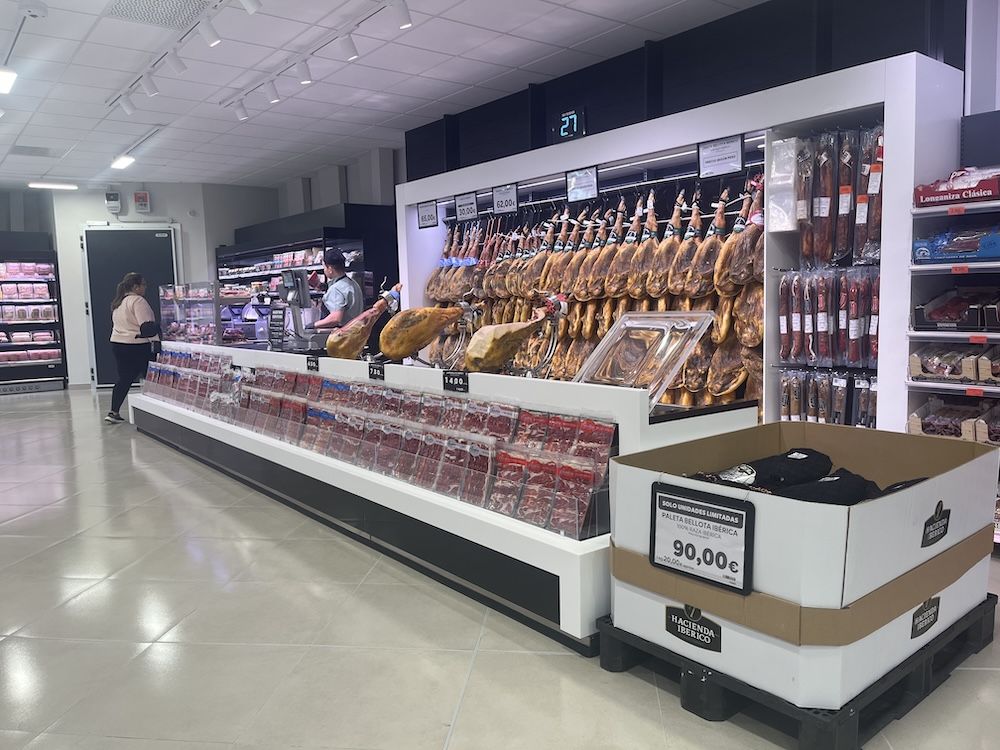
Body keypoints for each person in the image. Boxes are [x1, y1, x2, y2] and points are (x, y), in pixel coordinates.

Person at [106, 272, 158, 424]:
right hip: (137, 345)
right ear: (136, 287)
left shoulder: (118, 302)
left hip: (118, 344)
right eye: (143, 285)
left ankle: (113, 411)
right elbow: (147, 326)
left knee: (124, 378)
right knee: (151, 378)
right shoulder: (138, 300)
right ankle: (154, 412)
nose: (145, 288)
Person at [306, 249, 363, 330]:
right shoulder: (352, 283)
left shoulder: (336, 289)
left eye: (324, 267)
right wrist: (322, 286)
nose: (324, 270)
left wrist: (313, 325)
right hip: (354, 332)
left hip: (340, 336)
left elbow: (335, 318)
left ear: (330, 268)